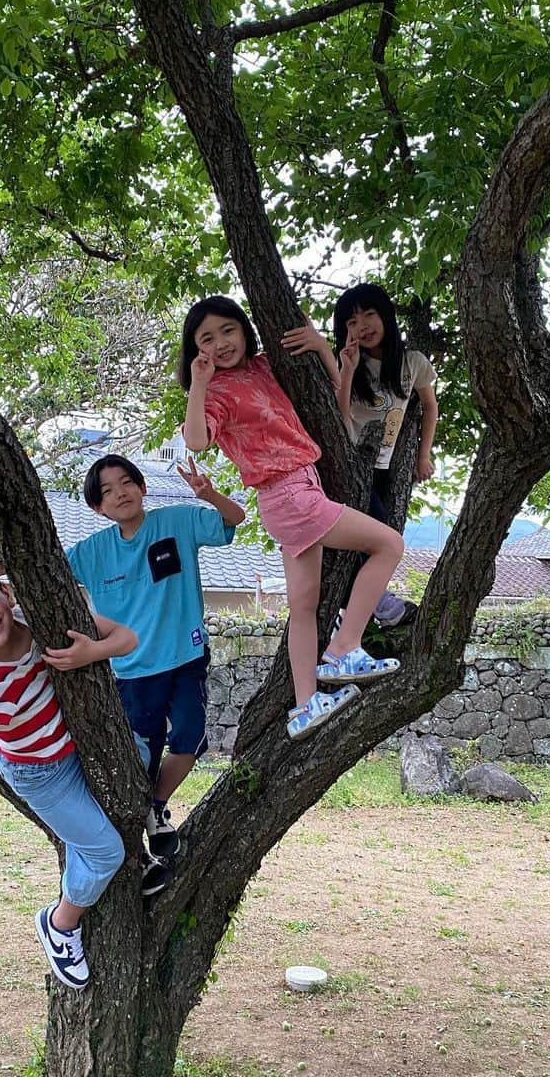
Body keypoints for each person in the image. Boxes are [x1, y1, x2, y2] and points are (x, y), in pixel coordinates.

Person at [180, 295, 404, 742]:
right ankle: (344, 648)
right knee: (389, 545)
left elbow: (333, 393)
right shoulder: (216, 391)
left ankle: (305, 705)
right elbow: (197, 439)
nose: (221, 343)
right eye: (208, 338)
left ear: (245, 330)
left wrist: (323, 347)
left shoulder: (264, 366)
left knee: (303, 608)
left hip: (295, 493)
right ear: (197, 350)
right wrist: (199, 383)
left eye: (228, 330)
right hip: (287, 493)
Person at [0, 557, 137, 992]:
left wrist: (90, 652)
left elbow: (125, 638)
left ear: (6, 592)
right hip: (40, 774)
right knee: (105, 854)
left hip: (80, 746)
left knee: (147, 755)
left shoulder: (40, 619)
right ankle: (60, 923)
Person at [65, 452, 245, 874]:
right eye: (107, 491)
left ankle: (157, 807)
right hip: (131, 672)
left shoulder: (177, 521)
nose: (120, 493)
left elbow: (233, 519)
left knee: (190, 737)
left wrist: (209, 493)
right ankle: (139, 837)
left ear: (142, 487)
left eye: (126, 482)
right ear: (98, 508)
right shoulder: (91, 552)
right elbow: (42, 575)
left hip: (186, 658)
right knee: (140, 757)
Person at [333, 282, 439, 626]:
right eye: (351, 321)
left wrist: (424, 457)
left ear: (386, 317)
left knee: (374, 535)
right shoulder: (348, 362)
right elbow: (339, 415)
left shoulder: (413, 363)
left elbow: (429, 407)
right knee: (378, 533)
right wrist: (347, 371)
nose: (361, 325)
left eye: (369, 314)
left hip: (384, 467)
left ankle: (360, 609)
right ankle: (379, 604)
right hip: (348, 463)